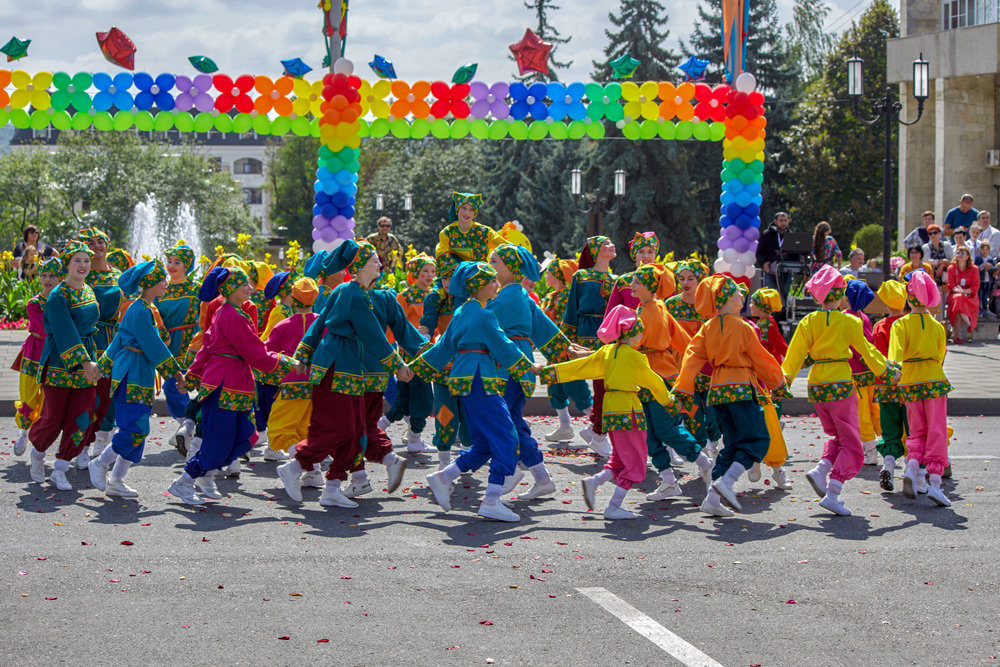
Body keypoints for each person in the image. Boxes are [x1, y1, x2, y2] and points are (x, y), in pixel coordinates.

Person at [277, 241, 411, 509]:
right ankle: (294, 467)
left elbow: (318, 324)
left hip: (342, 363)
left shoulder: (345, 290)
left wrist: (304, 353)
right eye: (374, 260)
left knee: (353, 430)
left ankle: (332, 487)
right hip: (338, 365)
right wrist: (396, 364)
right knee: (343, 428)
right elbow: (372, 334)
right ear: (359, 266)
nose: (379, 264)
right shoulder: (355, 295)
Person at [418, 261, 539, 523]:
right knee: (507, 436)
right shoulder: (485, 316)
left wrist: (416, 368)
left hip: (465, 379)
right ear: (480, 286)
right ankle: (491, 500)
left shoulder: (461, 312)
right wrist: (531, 368)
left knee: (483, 442)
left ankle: (442, 477)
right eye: (493, 281)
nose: (497, 285)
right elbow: (504, 347)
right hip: (480, 379)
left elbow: (443, 348)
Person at [168, 265, 298, 505]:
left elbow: (207, 347)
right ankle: (183, 482)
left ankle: (205, 476)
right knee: (220, 441)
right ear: (231, 289)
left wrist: (194, 375)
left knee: (243, 436)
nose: (250, 289)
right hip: (226, 386)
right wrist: (289, 363)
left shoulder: (226, 312)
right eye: (244, 285)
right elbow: (256, 353)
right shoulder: (232, 315)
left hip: (233, 384)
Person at [540, 305, 677, 520]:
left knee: (620, 457)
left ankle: (594, 482)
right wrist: (670, 402)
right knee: (637, 463)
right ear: (632, 333)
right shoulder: (635, 357)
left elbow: (579, 367)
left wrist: (549, 372)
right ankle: (613, 506)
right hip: (629, 410)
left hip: (610, 411)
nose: (642, 334)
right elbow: (656, 383)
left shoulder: (607, 352)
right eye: (640, 330)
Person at [780, 266, 897, 516]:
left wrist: (783, 382)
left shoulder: (808, 322)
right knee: (853, 445)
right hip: (841, 385)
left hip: (817, 387)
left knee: (836, 436)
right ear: (840, 293)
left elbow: (793, 357)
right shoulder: (849, 321)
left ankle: (821, 469)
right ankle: (833, 491)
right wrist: (888, 372)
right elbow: (869, 353)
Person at [673, 274, 785, 518]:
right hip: (741, 388)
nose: (742, 295)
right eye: (737, 292)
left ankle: (712, 498)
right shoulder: (743, 327)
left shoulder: (707, 328)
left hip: (717, 393)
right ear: (725, 299)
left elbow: (691, 359)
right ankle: (726, 483)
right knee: (757, 440)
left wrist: (682, 388)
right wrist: (778, 382)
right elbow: (761, 358)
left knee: (731, 445)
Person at [486, 244, 574, 501]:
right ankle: (542, 478)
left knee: (502, 421)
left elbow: (480, 322)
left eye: (495, 262)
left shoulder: (507, 296)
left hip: (510, 368)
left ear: (511, 268)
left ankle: (511, 469)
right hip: (521, 368)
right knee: (513, 420)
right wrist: (566, 347)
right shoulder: (520, 294)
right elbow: (545, 328)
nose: (491, 267)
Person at [90, 260, 183, 498]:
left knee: (137, 428)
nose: (166, 283)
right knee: (135, 428)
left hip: (138, 374)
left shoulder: (143, 309)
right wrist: (176, 373)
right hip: (132, 374)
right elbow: (154, 345)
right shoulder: (140, 311)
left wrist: (103, 365)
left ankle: (117, 480)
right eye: (162, 279)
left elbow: (118, 340)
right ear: (150, 283)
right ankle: (100, 464)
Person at [628, 263, 713, 500]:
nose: (632, 285)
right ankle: (668, 480)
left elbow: (635, 342)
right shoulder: (655, 307)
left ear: (650, 286)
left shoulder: (651, 311)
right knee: (650, 431)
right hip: (648, 375)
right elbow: (683, 341)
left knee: (665, 428)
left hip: (657, 376)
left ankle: (704, 462)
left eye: (637, 282)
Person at [28, 241, 101, 491]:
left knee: (82, 416)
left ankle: (61, 468)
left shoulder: (89, 290)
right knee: (54, 418)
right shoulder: (59, 295)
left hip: (87, 360)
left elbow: (92, 328)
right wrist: (85, 361)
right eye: (77, 261)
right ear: (67, 265)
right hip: (61, 362)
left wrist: (97, 359)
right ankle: (37, 453)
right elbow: (64, 332)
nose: (83, 265)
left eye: (86, 261)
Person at [889, 270, 952, 506]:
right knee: (936, 429)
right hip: (934, 381)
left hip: (910, 382)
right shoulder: (937, 327)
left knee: (916, 430)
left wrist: (895, 370)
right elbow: (940, 354)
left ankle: (911, 468)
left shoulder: (900, 325)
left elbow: (894, 354)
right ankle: (935, 483)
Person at [562, 236, 617, 457]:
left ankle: (593, 429)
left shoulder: (616, 278)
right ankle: (597, 432)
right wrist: (567, 340)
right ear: (595, 251)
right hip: (588, 333)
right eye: (606, 243)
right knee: (603, 383)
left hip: (611, 333)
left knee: (606, 384)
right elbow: (571, 308)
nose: (612, 245)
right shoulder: (581, 276)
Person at [76, 227, 123, 471]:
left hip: (113, 340)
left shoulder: (118, 275)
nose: (97, 246)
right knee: (87, 396)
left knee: (108, 396)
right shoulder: (82, 276)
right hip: (89, 339)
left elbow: (127, 307)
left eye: (101, 241)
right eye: (91, 243)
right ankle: (81, 447)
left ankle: (102, 444)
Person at [261, 278, 319, 461]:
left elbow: (266, 353)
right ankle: (312, 469)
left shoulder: (283, 325)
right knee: (307, 424)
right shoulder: (322, 325)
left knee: (279, 425)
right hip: (315, 382)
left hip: (290, 382)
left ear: (293, 300)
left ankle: (304, 461)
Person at [383, 254, 437, 453]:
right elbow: (395, 324)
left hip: (428, 351)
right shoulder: (405, 296)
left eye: (432, 271)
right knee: (421, 395)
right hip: (410, 354)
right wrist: (388, 350)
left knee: (406, 396)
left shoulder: (434, 295)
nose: (429, 275)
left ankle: (381, 429)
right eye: (425, 271)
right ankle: (413, 437)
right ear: (416, 273)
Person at [11, 257, 61, 457]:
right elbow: (44, 330)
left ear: (61, 278)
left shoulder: (64, 302)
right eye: (44, 275)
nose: (47, 279)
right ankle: (23, 431)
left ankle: (39, 438)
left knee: (49, 400)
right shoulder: (34, 304)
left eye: (53, 276)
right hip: (33, 355)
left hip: (55, 358)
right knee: (29, 397)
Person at [540, 258, 592, 443]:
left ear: (558, 275)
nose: (545, 276)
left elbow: (567, 325)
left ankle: (597, 427)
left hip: (566, 351)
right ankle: (564, 427)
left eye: (548, 273)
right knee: (555, 389)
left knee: (576, 388)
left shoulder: (568, 296)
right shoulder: (550, 297)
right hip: (552, 352)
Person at [159, 241, 200, 455]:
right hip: (167, 343)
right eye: (169, 261)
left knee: (175, 385)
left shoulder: (195, 289)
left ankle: (188, 426)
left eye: (177, 262)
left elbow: (204, 317)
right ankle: (187, 426)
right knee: (172, 386)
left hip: (190, 342)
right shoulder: (161, 289)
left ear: (187, 266)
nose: (172, 265)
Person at [872, 280, 909, 491]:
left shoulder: (880, 326)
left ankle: (888, 464)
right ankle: (913, 470)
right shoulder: (908, 323)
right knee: (912, 429)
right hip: (908, 384)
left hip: (886, 385)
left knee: (889, 429)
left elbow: (878, 356)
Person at [843, 279, 881, 465]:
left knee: (861, 414)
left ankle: (870, 450)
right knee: (874, 410)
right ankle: (885, 440)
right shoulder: (864, 316)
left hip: (854, 373)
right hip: (869, 372)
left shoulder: (845, 317)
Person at [435, 192, 503, 263]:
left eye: (471, 209)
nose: (467, 212)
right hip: (455, 272)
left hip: (480, 272)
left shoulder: (485, 232)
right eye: (464, 208)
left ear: (475, 213)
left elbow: (505, 247)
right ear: (457, 209)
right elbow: (441, 255)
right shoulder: (447, 232)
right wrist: (461, 269)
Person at [756, 211, 798, 311]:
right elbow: (759, 253)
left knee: (784, 297)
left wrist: (797, 263)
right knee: (770, 296)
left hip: (786, 271)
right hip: (770, 271)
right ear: (775, 221)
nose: (783, 223)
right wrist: (764, 264)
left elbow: (796, 254)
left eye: (785, 220)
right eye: (781, 221)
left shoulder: (791, 236)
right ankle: (769, 319)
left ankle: (782, 317)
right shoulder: (767, 234)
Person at [946, 244, 980, 343]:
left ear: (967, 256)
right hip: (955, 294)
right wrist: (959, 291)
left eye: (962, 253)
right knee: (958, 299)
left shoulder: (974, 269)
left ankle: (957, 336)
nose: (959, 255)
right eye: (958, 253)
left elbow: (975, 286)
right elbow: (950, 285)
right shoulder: (951, 268)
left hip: (970, 296)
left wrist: (965, 292)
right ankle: (969, 324)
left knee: (958, 305)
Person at [974, 240, 995, 317]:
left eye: (987, 249)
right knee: (979, 296)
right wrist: (983, 266)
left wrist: (989, 267)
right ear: (980, 250)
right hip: (980, 281)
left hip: (988, 281)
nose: (985, 251)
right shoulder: (978, 259)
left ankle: (985, 310)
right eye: (983, 249)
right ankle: (979, 310)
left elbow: (993, 269)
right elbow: (976, 269)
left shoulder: (990, 259)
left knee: (985, 297)